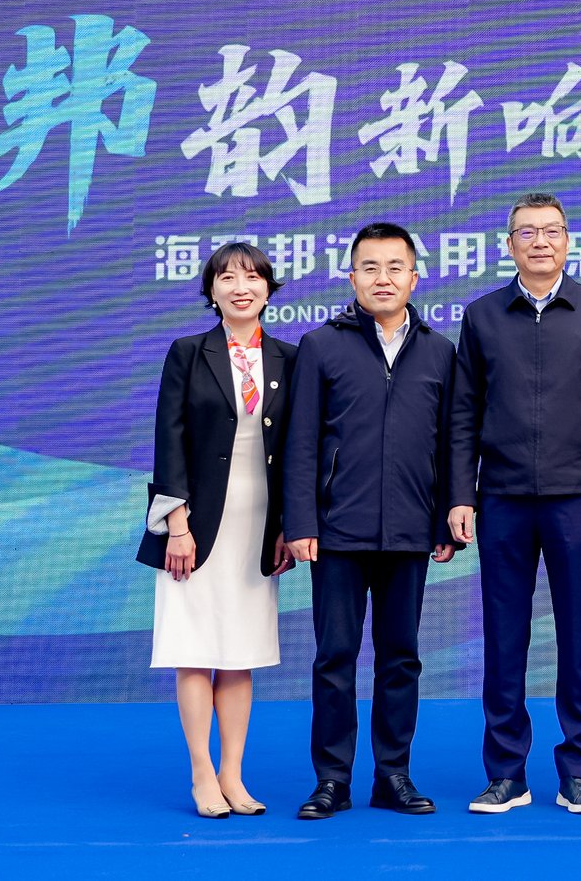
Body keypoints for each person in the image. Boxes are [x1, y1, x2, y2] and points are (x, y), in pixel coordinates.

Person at [449, 192, 581, 815]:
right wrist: (461, 495)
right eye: (526, 232)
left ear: (568, 241)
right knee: (504, 639)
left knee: (579, 639)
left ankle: (579, 771)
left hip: (578, 500)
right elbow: (463, 415)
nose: (539, 242)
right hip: (501, 500)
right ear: (509, 245)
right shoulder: (482, 316)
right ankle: (506, 773)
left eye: (551, 231)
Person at [284, 223, 460, 820]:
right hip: (337, 531)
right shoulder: (321, 345)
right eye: (370, 267)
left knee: (401, 657)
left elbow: (451, 444)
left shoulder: (439, 351)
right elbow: (301, 442)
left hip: (410, 528)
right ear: (351, 276)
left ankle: (393, 775)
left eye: (395, 267)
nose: (383, 279)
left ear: (415, 277)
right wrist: (301, 522)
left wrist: (445, 520)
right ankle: (332, 780)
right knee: (335, 657)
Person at [139, 242, 296, 818]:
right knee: (194, 649)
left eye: (252, 277)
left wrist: (287, 526)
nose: (240, 287)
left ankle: (233, 774)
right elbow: (169, 438)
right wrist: (176, 523)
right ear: (211, 292)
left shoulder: (288, 358)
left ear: (269, 290)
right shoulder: (188, 353)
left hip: (257, 525)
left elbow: (297, 450)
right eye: (227, 278)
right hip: (197, 526)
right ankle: (202, 774)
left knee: (239, 652)